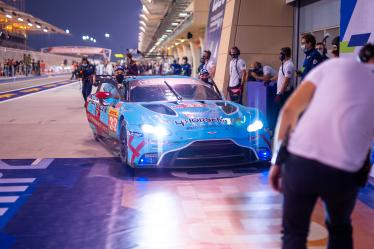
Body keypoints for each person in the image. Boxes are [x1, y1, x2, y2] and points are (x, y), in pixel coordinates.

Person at [269, 43, 374, 249]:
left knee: (293, 233)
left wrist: (276, 161)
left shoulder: (333, 66)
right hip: (343, 171)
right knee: (340, 228)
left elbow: (290, 111)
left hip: (300, 160)